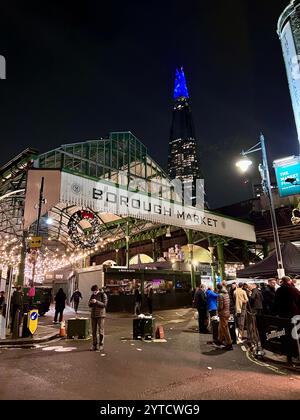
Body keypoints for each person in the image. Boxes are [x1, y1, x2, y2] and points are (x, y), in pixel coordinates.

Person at [89, 285, 108, 351]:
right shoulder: (92, 295)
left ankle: (101, 344)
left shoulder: (103, 295)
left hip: (100, 315)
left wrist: (96, 302)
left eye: (94, 291)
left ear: (97, 290)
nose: (93, 293)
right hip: (93, 315)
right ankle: (94, 345)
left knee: (100, 330)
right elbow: (89, 305)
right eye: (93, 292)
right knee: (93, 331)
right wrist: (91, 302)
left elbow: (104, 305)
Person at [215, 283, 233, 350]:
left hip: (223, 313)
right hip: (227, 312)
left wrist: (217, 309)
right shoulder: (226, 294)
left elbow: (220, 306)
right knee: (221, 327)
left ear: (218, 288)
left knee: (225, 329)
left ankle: (229, 343)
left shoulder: (220, 295)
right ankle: (219, 340)